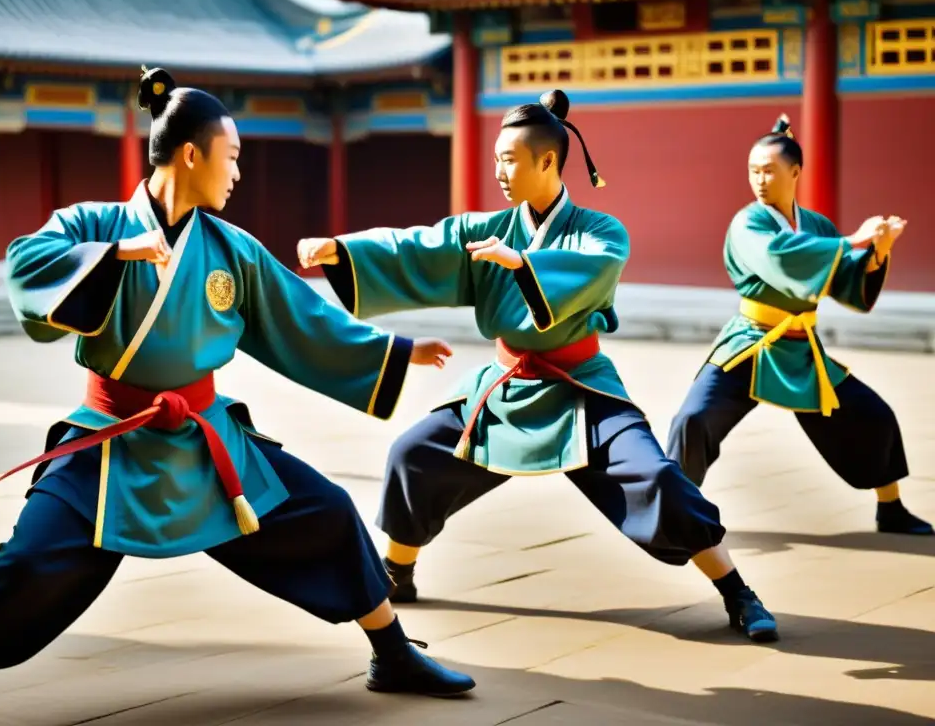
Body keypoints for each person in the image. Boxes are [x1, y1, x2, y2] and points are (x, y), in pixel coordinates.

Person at [0, 67, 477, 726]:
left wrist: (393, 351)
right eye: (232, 156)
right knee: (29, 564)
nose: (237, 172)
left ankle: (393, 651)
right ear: (190, 154)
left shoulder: (231, 249)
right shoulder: (95, 222)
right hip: (111, 442)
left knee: (326, 512)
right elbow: (26, 266)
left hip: (206, 446)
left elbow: (302, 317)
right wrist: (116, 254)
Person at [296, 89, 780, 645]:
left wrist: (524, 263)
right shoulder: (484, 230)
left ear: (547, 160)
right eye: (497, 159)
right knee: (413, 455)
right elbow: (419, 246)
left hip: (579, 388)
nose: (499, 171)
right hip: (505, 388)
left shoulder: (602, 231)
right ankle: (399, 570)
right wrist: (342, 250)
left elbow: (591, 271)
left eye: (510, 160)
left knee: (659, 477)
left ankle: (738, 591)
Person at [664, 115, 932, 536]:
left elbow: (846, 277)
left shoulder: (817, 227)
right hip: (752, 343)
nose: (760, 180)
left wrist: (877, 252)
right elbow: (782, 256)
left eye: (769, 170)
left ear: (795, 173)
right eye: (753, 171)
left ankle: (891, 508)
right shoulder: (747, 223)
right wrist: (850, 242)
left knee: (874, 415)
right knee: (693, 419)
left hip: (801, 348)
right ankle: (674, 512)